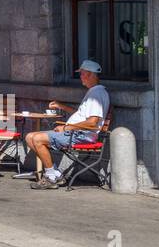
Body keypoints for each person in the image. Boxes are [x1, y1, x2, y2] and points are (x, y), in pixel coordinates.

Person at [29, 59, 110, 189]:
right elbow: (81, 114)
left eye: (82, 74)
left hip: (81, 136)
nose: (80, 77)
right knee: (30, 137)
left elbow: (93, 122)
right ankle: (55, 173)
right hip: (75, 133)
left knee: (37, 139)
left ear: (90, 74)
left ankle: (51, 176)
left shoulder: (97, 94)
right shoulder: (94, 92)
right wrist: (61, 106)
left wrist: (66, 127)